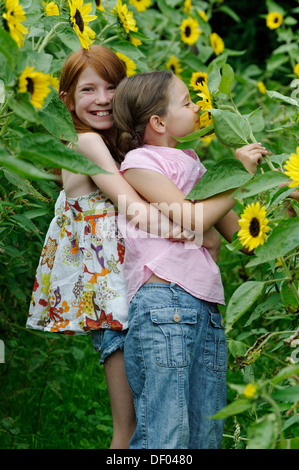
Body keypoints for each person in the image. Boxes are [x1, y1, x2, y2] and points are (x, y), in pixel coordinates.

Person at [26, 47, 221, 449]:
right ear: (66, 100)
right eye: (88, 89)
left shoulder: (118, 147)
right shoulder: (87, 145)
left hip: (134, 290)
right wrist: (194, 231)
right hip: (113, 302)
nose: (101, 98)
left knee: (148, 419)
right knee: (131, 428)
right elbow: (133, 209)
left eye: (111, 87)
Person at [112, 70, 269, 449]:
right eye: (187, 102)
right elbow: (193, 218)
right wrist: (239, 176)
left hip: (206, 309)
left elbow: (247, 239)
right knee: (166, 437)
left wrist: (279, 194)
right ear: (158, 122)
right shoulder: (141, 162)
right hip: (165, 304)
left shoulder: (195, 165)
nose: (198, 106)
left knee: (203, 437)